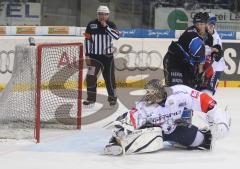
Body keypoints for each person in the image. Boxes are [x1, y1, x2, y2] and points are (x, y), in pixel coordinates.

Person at [103, 79, 231, 155]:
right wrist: (121, 131)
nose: (148, 96)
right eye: (147, 93)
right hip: (155, 130)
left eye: (151, 93)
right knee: (141, 138)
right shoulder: (145, 105)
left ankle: (191, 137)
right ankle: (116, 143)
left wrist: (216, 117)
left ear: (160, 92)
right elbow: (132, 118)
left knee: (203, 141)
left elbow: (203, 100)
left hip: (174, 127)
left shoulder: (180, 92)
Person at [84, 5, 120, 106]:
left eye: (105, 14)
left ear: (108, 15)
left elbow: (117, 36)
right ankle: (91, 99)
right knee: (90, 77)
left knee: (109, 78)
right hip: (94, 57)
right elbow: (87, 39)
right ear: (97, 14)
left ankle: (112, 98)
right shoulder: (91, 25)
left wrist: (106, 27)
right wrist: (87, 55)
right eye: (100, 14)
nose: (102, 16)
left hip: (108, 58)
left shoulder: (111, 24)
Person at [163, 12, 208, 88]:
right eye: (197, 24)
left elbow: (201, 56)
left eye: (202, 24)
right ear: (194, 24)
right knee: (175, 90)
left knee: (188, 90)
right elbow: (198, 51)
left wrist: (200, 72)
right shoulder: (191, 33)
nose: (199, 26)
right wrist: (213, 50)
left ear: (205, 24)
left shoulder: (204, 36)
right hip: (173, 62)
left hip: (184, 64)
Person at [197, 13, 225, 96]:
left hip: (215, 67)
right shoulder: (201, 34)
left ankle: (211, 106)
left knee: (209, 92)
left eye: (213, 24)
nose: (211, 26)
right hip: (205, 65)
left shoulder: (216, 39)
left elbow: (207, 52)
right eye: (209, 23)